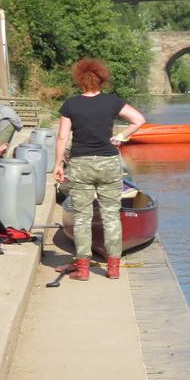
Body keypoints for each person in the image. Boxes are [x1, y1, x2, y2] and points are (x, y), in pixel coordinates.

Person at [53, 58, 145, 281]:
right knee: (111, 215)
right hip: (108, 163)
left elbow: (63, 136)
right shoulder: (112, 102)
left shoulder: (71, 105)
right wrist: (121, 136)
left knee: (82, 217)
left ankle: (83, 269)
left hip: (81, 164)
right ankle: (113, 267)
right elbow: (139, 119)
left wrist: (57, 164)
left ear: (80, 80)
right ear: (102, 79)